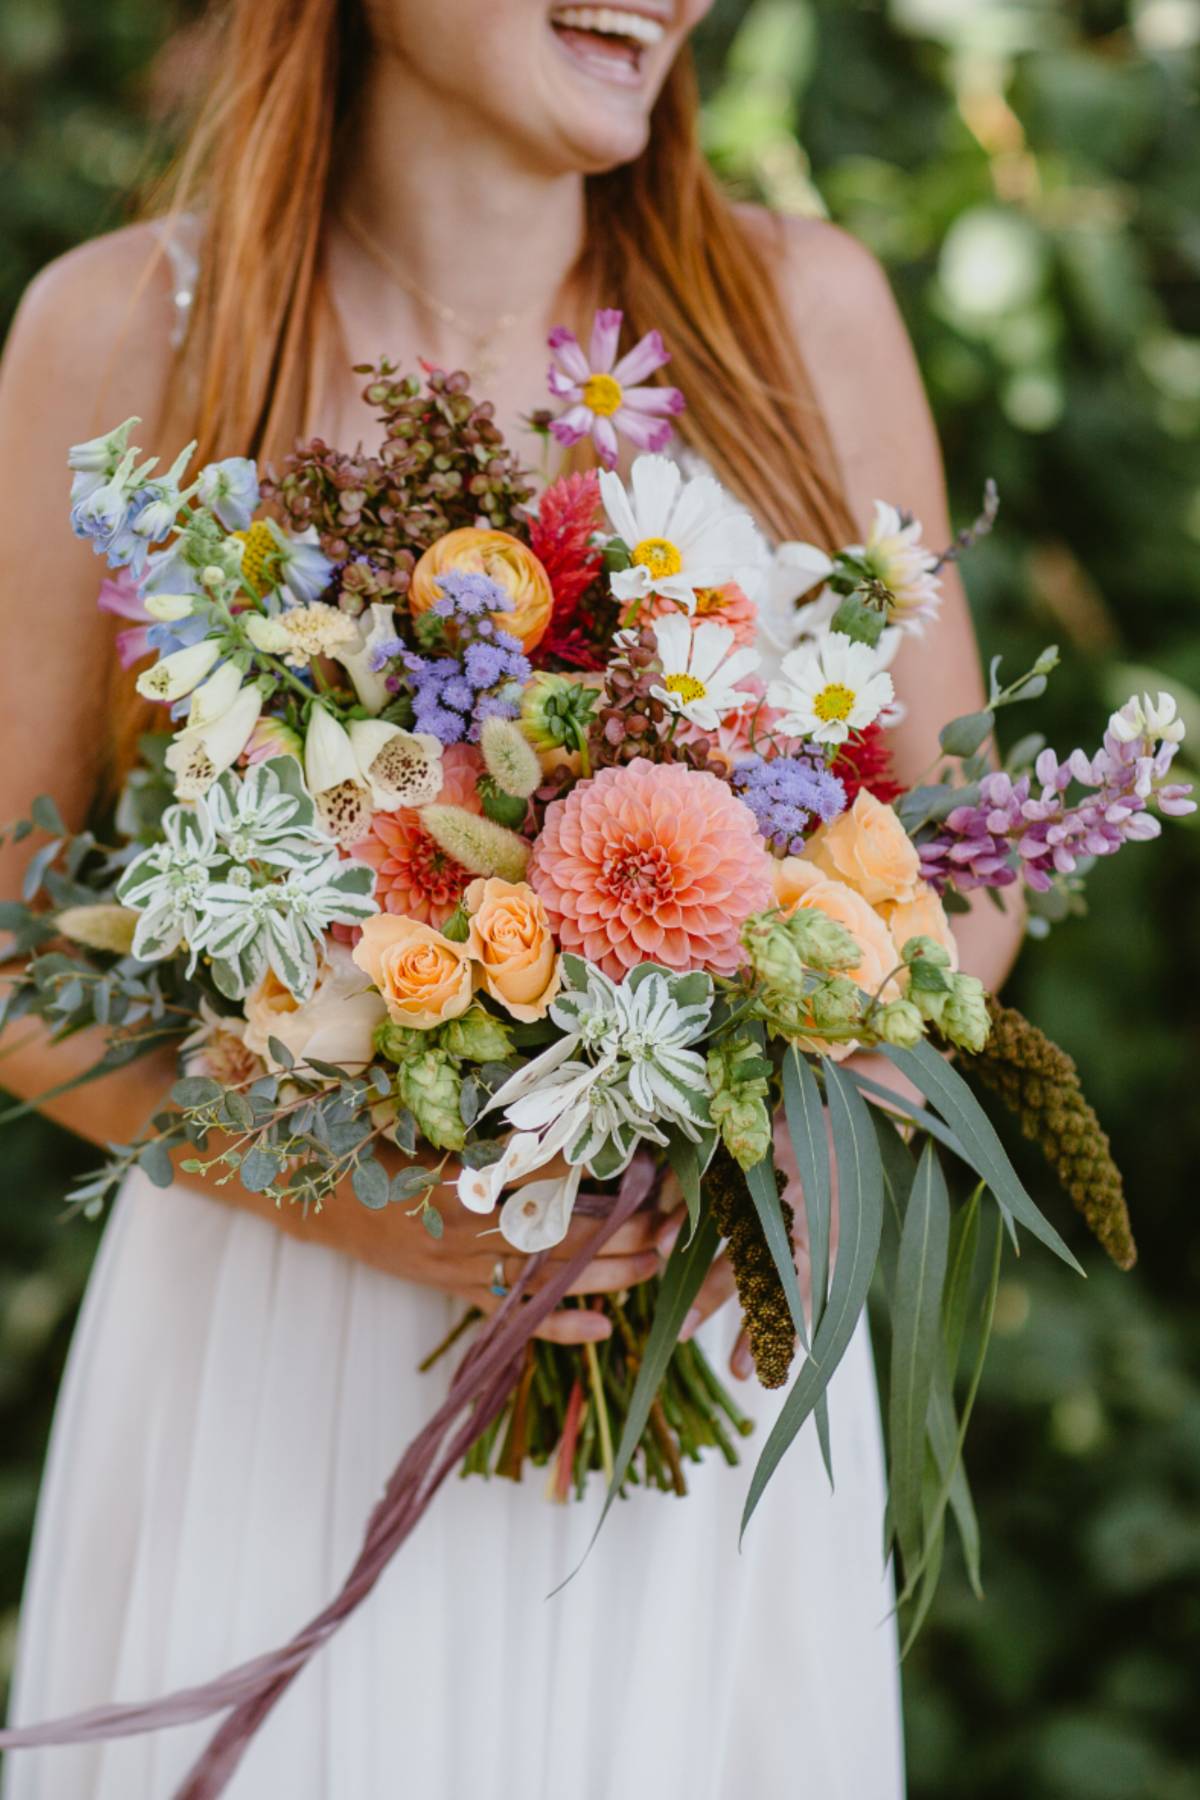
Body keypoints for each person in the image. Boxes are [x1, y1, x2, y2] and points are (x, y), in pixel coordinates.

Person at [0, 1, 1023, 1794]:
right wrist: (354, 1203)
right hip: (277, 1368)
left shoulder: (807, 312)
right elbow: (9, 945)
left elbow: (960, 874)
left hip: (693, 1374)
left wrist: (772, 1147)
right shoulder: (121, 331)